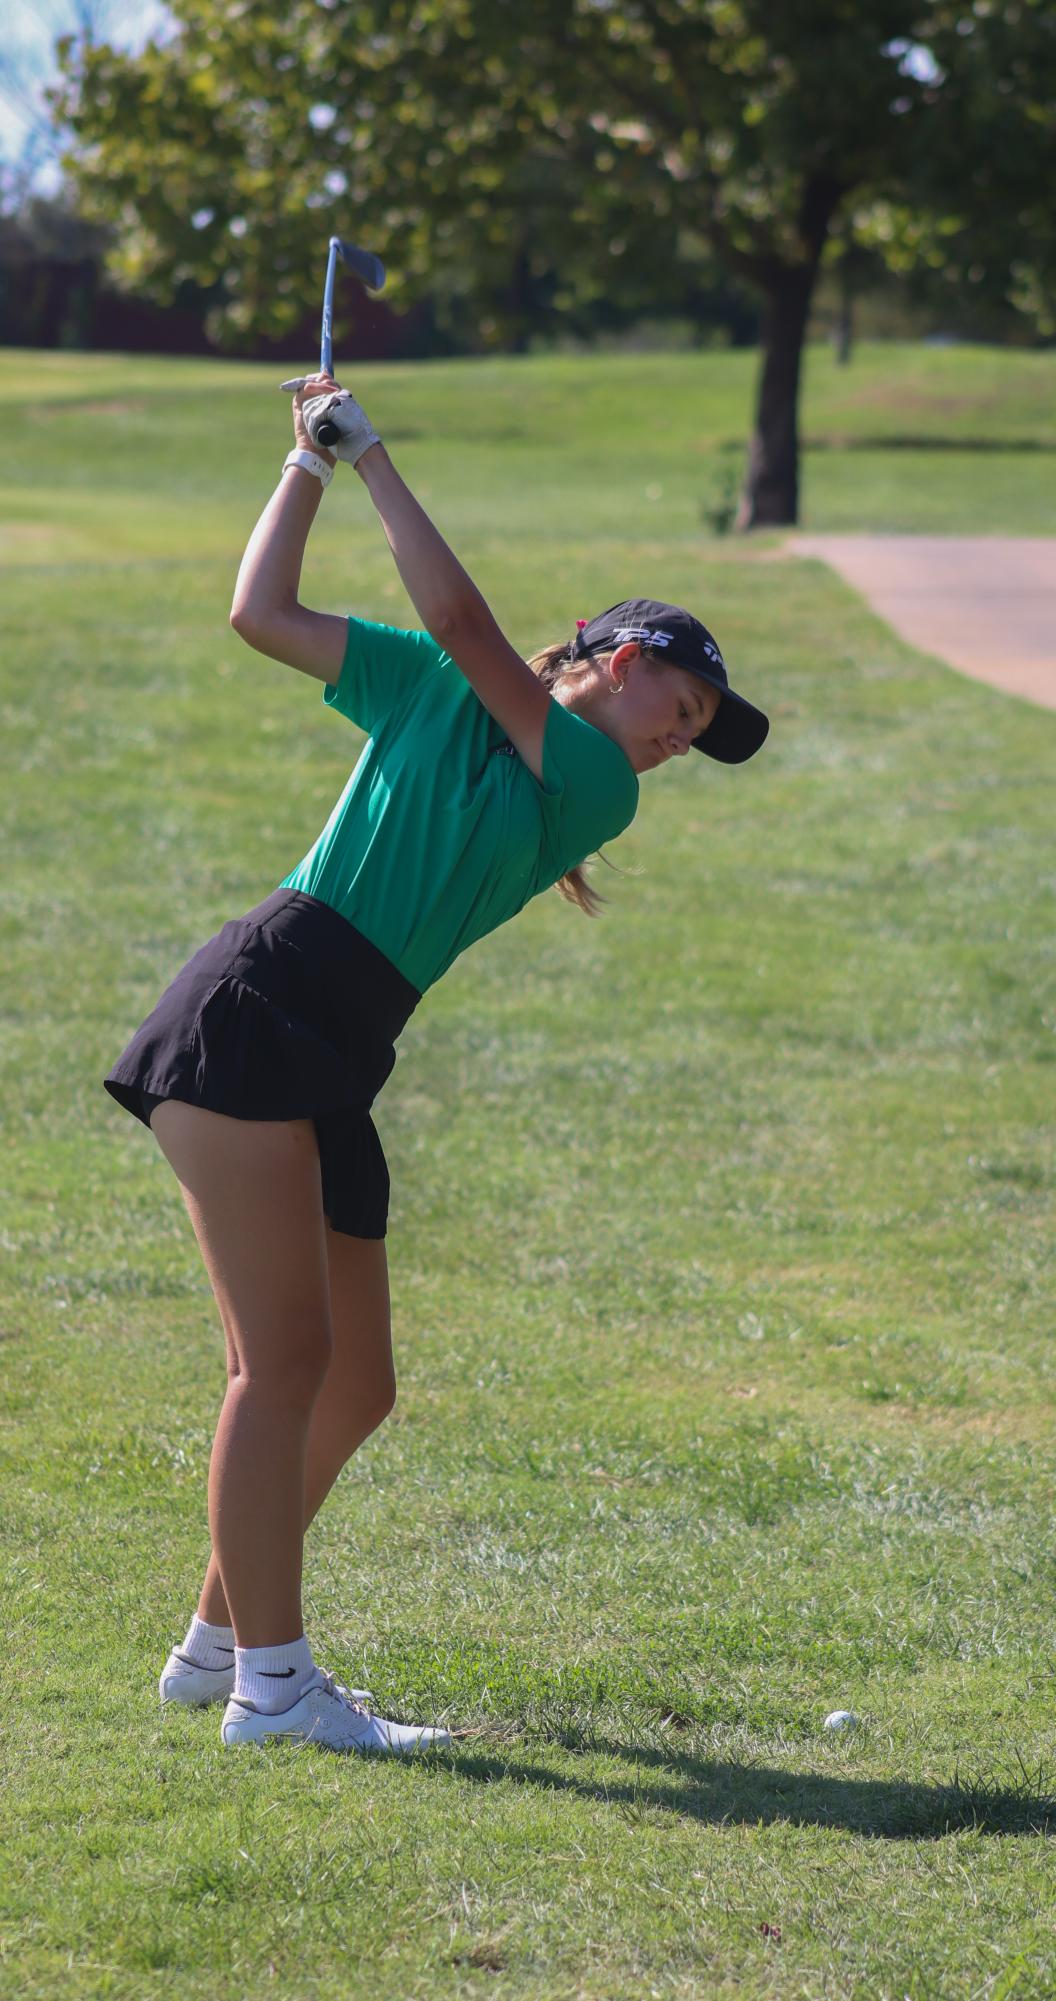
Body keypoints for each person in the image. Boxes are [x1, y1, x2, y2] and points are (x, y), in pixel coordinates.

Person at [103, 372, 769, 1758]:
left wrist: (367, 460)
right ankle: (271, 1690)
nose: (676, 736)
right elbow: (262, 616)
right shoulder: (428, 679)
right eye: (681, 701)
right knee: (279, 1362)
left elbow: (468, 631)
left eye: (698, 731)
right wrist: (313, 468)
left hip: (335, 1041)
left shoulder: (597, 788)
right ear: (611, 652)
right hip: (258, 1007)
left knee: (353, 1382)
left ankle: (216, 1644)